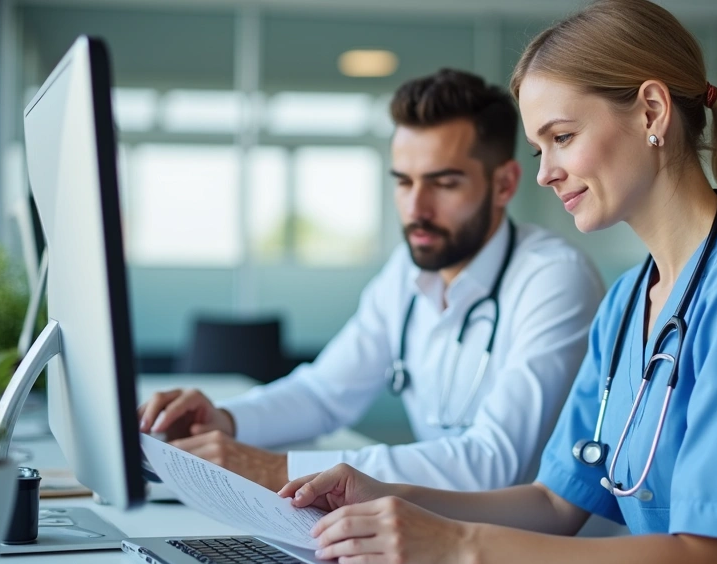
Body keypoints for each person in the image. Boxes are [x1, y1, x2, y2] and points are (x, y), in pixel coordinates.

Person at [277, 1, 717, 564]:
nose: (544, 173)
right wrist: (389, 495)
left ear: (651, 111)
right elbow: (555, 503)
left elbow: (708, 559)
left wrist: (459, 546)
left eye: (561, 137)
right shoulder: (627, 301)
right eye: (539, 147)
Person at [138, 69, 605, 493]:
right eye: (403, 181)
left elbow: (493, 463)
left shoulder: (553, 279)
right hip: (443, 537)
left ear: (504, 184)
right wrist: (225, 421)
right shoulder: (407, 272)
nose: (415, 209)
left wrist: (274, 468)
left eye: (443, 183)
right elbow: (323, 393)